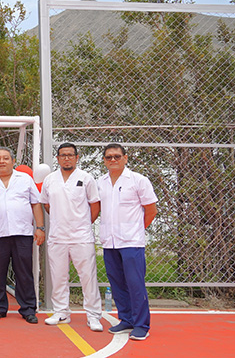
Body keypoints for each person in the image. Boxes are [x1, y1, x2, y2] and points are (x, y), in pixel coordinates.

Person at [0, 147, 45, 323]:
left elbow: (36, 204)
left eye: (6, 158)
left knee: (24, 272)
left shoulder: (25, 180)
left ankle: (28, 309)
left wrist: (40, 228)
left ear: (13, 161)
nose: (2, 161)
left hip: (22, 233)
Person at [97, 143, 157, 341]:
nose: (112, 160)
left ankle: (141, 325)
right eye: (108, 157)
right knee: (117, 283)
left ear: (125, 158)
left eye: (116, 156)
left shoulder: (138, 180)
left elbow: (150, 210)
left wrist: (137, 229)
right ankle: (126, 319)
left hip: (131, 242)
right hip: (109, 242)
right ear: (104, 160)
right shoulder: (101, 182)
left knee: (135, 283)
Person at [40, 143, 103, 331]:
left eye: (70, 155)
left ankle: (93, 315)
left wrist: (82, 224)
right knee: (58, 277)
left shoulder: (86, 178)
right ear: (57, 158)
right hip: (58, 236)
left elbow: (95, 205)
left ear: (77, 157)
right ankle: (61, 312)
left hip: (81, 237)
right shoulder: (50, 180)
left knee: (88, 277)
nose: (66, 158)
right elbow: (46, 204)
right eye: (62, 155)